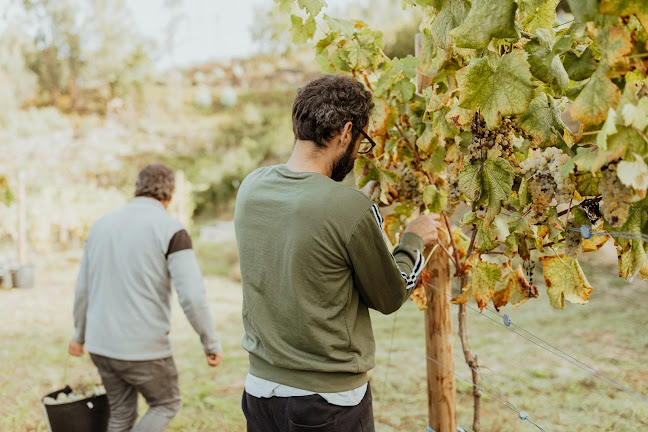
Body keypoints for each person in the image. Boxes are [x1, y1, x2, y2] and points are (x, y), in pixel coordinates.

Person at [234, 75, 441, 432]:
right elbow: (390, 296)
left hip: (260, 392)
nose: (360, 150)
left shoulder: (251, 186)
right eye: (362, 140)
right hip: (326, 402)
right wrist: (412, 240)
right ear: (346, 132)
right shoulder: (349, 207)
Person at [68, 163, 224, 432]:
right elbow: (192, 296)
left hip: (100, 345)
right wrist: (210, 343)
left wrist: (79, 336)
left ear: (137, 188)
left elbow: (82, 288)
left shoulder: (101, 225)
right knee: (166, 403)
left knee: (121, 414)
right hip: (144, 350)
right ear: (171, 195)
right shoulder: (172, 230)